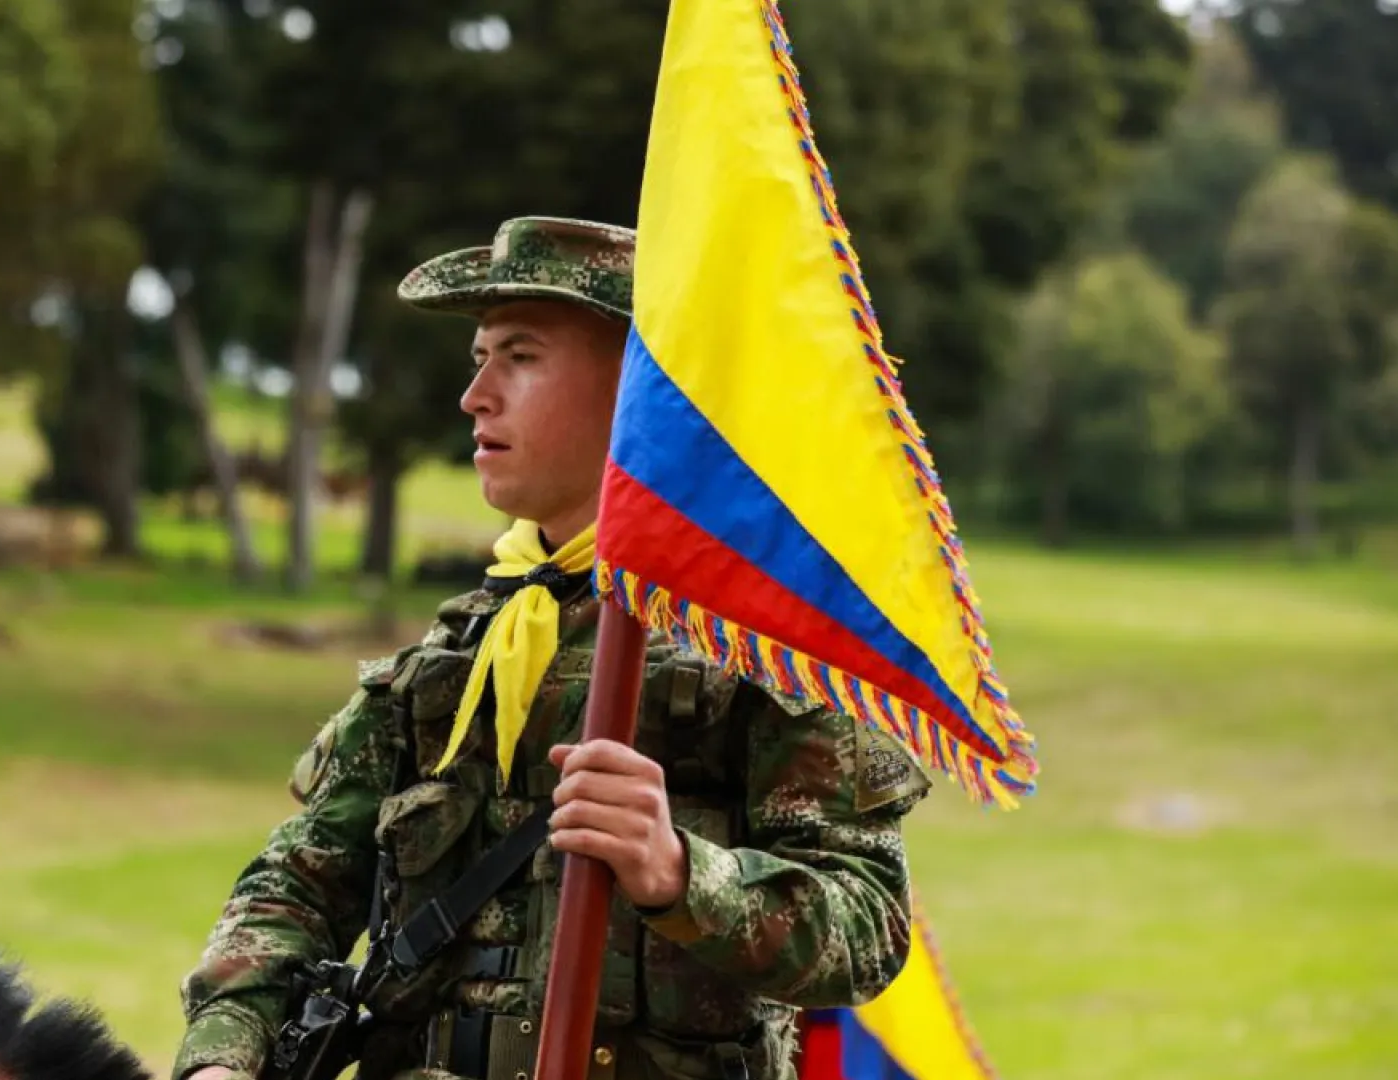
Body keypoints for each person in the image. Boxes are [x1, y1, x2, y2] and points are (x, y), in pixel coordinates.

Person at [169, 216, 931, 1080]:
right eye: (479, 358)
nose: (476, 395)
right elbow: (297, 884)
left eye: (520, 356)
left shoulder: (767, 646)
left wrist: (681, 873)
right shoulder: (456, 656)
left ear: (640, 387)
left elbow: (868, 928)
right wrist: (223, 1056)